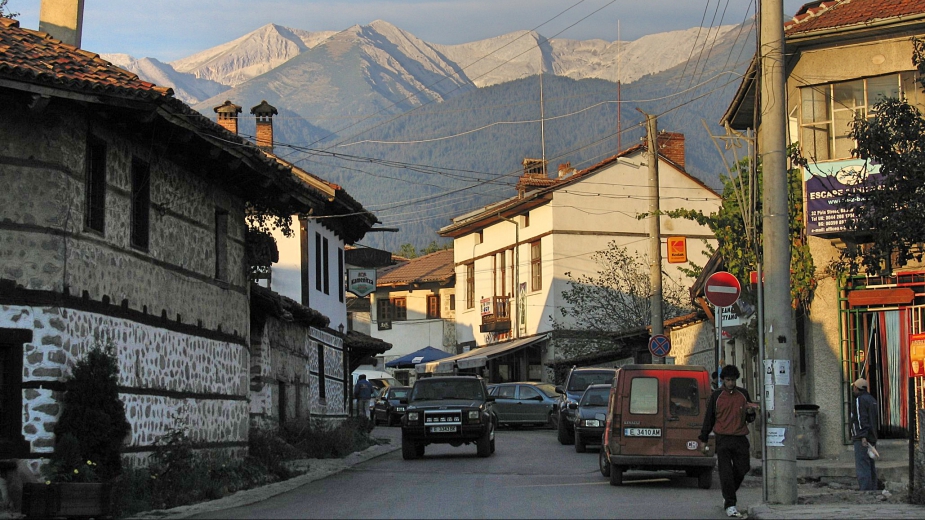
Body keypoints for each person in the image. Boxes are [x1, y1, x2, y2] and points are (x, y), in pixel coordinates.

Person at [699, 365, 757, 518]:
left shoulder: (743, 394)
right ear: (723, 380)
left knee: (743, 468)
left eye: (733, 380)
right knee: (725, 473)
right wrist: (703, 439)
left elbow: (750, 418)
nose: (730, 383)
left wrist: (751, 413)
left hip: (740, 438)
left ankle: (728, 494)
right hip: (723, 439)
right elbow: (709, 418)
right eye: (728, 380)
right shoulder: (716, 396)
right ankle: (730, 504)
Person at [850, 377, 879, 490]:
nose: (853, 390)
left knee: (862, 465)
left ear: (857, 388)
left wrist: (862, 436)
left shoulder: (859, 400)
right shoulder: (872, 399)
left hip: (863, 437)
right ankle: (873, 488)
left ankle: (865, 490)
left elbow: (861, 418)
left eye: (854, 388)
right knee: (870, 464)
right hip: (872, 436)